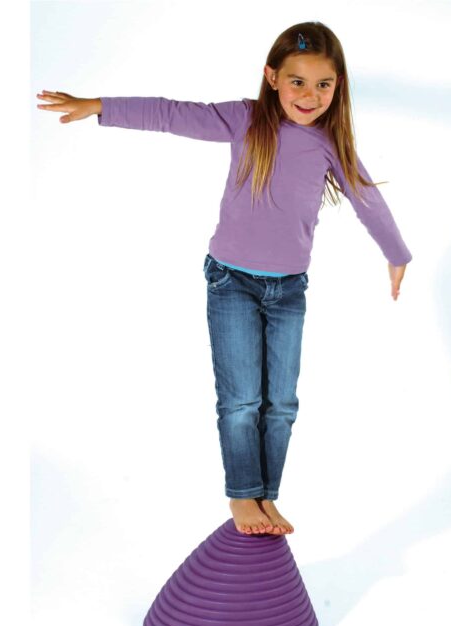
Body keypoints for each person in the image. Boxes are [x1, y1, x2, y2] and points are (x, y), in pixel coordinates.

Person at [36, 21, 412, 537]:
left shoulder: (331, 144)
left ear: (338, 86)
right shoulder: (246, 120)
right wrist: (98, 105)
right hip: (231, 283)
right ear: (272, 77)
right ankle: (242, 495)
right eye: (297, 81)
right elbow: (171, 114)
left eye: (323, 84)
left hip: (289, 290)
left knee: (281, 405)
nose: (309, 95)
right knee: (241, 402)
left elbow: (367, 198)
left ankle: (265, 495)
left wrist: (396, 253)